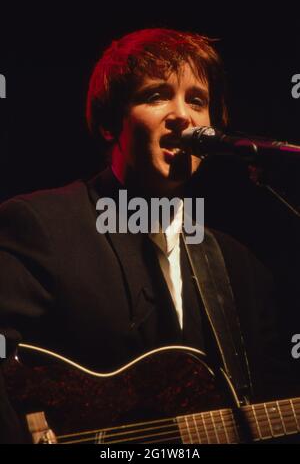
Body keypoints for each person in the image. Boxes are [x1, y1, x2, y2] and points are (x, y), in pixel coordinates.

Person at [0, 28, 298, 443]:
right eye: (157, 95)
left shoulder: (241, 269)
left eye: (197, 100)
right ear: (109, 124)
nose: (183, 115)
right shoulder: (41, 226)